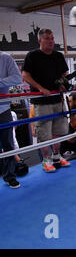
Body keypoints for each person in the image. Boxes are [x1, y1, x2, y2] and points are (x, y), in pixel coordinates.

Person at [21, 28, 71, 173]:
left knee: (58, 130)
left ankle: (57, 156)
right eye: (47, 38)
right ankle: (46, 160)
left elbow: (64, 73)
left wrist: (62, 84)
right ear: (40, 40)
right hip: (41, 101)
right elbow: (25, 75)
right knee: (44, 133)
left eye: (52, 38)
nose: (50, 41)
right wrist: (40, 88)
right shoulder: (32, 56)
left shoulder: (58, 56)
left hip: (57, 99)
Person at [0, 51, 23, 188]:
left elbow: (17, 78)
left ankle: (10, 176)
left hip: (3, 108)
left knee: (8, 144)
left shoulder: (5, 58)